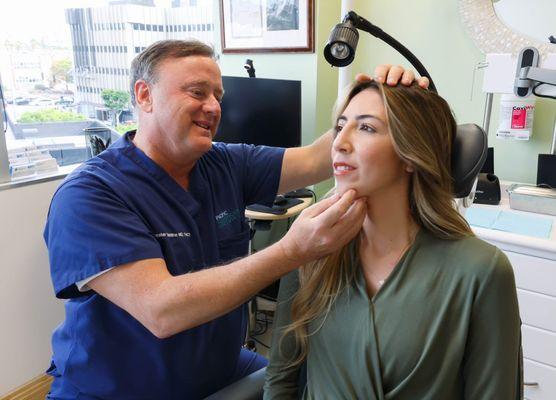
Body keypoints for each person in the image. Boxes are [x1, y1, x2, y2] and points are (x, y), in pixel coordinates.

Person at [43, 39, 425, 399]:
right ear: (145, 96)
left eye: (218, 96)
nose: (213, 107)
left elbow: (315, 159)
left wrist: (373, 103)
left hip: (216, 370)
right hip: (119, 389)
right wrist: (292, 251)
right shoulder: (90, 194)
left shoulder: (223, 163)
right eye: (197, 92)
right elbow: (161, 310)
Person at [264, 81, 522, 399]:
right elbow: (280, 379)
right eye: (340, 127)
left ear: (410, 155)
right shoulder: (312, 248)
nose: (339, 143)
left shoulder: (480, 272)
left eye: (366, 128)